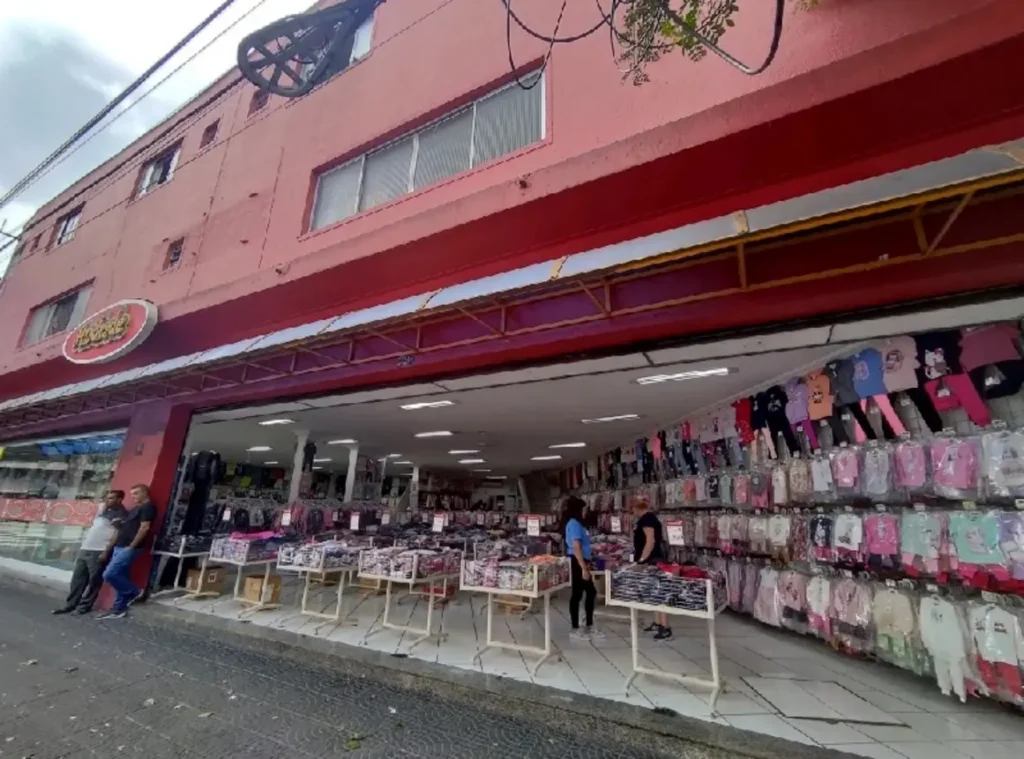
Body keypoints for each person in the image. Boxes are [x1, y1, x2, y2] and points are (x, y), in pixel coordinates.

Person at [53, 490, 126, 616]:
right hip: (86, 547)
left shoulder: (120, 514)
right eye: (107, 498)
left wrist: (106, 551)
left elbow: (116, 534)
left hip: (99, 550)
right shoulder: (104, 511)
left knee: (93, 581)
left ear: (119, 499)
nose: (108, 500)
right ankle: (70, 605)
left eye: (111, 498)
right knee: (77, 579)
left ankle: (84, 607)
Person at [98, 483, 156, 620]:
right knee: (120, 576)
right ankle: (118, 609)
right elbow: (131, 525)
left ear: (144, 493)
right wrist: (120, 523)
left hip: (129, 547)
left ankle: (136, 592)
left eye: (136, 493)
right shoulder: (136, 508)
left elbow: (144, 528)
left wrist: (132, 546)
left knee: (109, 574)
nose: (133, 497)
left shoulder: (148, 507)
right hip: (120, 545)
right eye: (132, 494)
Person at [563, 496, 603, 641]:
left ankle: (587, 625)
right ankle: (577, 627)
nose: (585, 511)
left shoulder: (577, 524)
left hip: (580, 560)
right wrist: (583, 567)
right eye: (584, 509)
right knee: (582, 593)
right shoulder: (574, 524)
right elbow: (576, 547)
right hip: (577, 561)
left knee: (584, 593)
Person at [632, 500, 672, 640]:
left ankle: (665, 627)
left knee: (659, 593)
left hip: (652, 561)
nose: (632, 512)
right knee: (654, 593)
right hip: (652, 560)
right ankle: (657, 623)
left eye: (633, 508)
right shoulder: (648, 518)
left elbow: (650, 541)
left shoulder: (647, 519)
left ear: (638, 507)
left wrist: (642, 560)